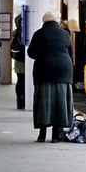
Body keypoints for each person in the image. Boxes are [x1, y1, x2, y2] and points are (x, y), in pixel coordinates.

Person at [27, 11, 74, 143]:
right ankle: (55, 136)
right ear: (57, 21)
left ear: (44, 21)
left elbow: (31, 53)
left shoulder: (38, 34)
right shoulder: (65, 34)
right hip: (63, 71)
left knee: (44, 101)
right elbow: (71, 53)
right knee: (60, 102)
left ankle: (42, 135)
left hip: (44, 70)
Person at [11, 14, 26, 109]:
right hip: (26, 60)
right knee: (25, 81)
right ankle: (25, 100)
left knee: (19, 80)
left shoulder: (15, 32)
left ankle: (19, 101)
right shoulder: (26, 32)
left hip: (18, 59)